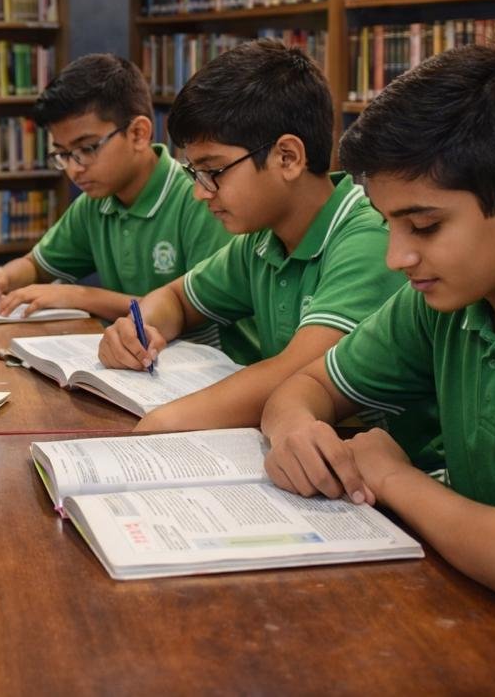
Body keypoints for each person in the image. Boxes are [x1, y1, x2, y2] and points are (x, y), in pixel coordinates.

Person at [260, 45, 495, 653]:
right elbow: (304, 388)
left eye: (423, 227)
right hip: (478, 617)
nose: (397, 257)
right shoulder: (448, 299)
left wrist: (393, 476)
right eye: (387, 224)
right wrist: (294, 431)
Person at [98, 41, 419, 455]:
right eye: (194, 173)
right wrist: (140, 330)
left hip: (393, 473)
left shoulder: (367, 237)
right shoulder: (262, 240)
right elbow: (177, 298)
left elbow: (299, 370)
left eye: (213, 172)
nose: (199, 192)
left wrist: (166, 421)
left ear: (287, 157)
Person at [0, 54, 255, 361]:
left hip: (210, 366)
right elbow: (38, 266)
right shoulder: (96, 202)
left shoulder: (201, 198)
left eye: (87, 149)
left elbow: (191, 309)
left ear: (139, 133)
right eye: (62, 154)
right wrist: (1, 277)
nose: (74, 170)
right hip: (140, 363)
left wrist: (80, 296)